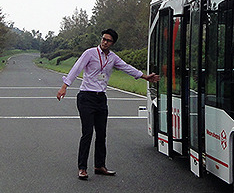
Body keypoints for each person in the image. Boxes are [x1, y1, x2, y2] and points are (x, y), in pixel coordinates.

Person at [56, 29, 159, 180]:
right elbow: (76, 68)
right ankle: (82, 168)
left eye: (108, 40)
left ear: (113, 43)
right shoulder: (90, 53)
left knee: (101, 133)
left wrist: (145, 77)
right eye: (103, 39)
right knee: (87, 133)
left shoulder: (113, 57)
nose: (105, 42)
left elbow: (126, 67)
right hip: (86, 97)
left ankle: (99, 165)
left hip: (100, 98)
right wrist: (65, 86)